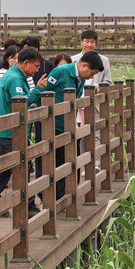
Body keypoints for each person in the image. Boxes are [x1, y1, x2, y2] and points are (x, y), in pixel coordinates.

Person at [0, 47, 47, 218]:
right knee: (21, 166)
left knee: (8, 167)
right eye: (36, 66)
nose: (37, 70)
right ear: (26, 63)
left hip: (10, 129)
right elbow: (21, 103)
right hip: (11, 130)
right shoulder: (15, 78)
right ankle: (27, 204)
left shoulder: (16, 75)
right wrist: (38, 89)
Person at [40, 51, 104, 198]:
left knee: (70, 161)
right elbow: (43, 92)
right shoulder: (61, 72)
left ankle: (66, 197)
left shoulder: (79, 77)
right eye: (92, 73)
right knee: (51, 163)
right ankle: (54, 197)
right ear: (84, 65)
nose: (92, 77)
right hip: (52, 124)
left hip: (68, 125)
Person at [71, 29, 112, 167]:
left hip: (95, 102)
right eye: (87, 41)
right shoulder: (73, 60)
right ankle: (83, 164)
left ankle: (96, 164)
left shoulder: (104, 60)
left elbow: (108, 82)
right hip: (77, 102)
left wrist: (97, 86)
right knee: (81, 134)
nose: (89, 44)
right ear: (81, 42)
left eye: (92, 42)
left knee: (96, 133)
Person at [21, 36, 54, 180]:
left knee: (42, 141)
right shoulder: (20, 68)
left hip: (42, 105)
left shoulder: (47, 65)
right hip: (26, 104)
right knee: (24, 140)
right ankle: (27, 170)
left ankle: (41, 176)